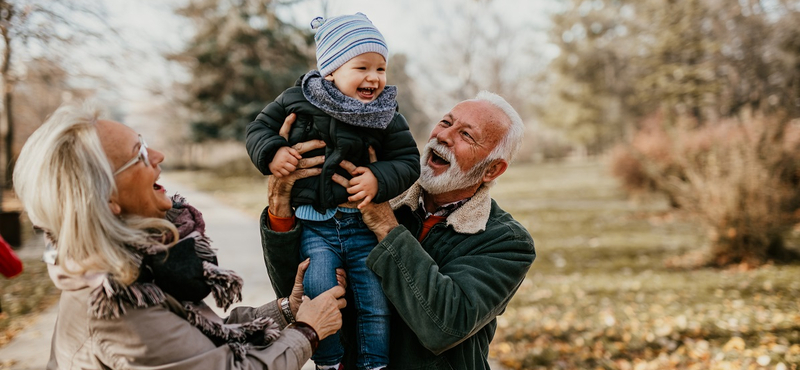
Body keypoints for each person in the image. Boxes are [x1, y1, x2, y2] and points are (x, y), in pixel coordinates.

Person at [12, 102, 347, 369]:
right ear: (106, 198)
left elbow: (201, 342)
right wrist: (308, 331)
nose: (159, 156)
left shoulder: (133, 265)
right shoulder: (118, 305)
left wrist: (287, 309)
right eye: (139, 154)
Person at [260, 91, 536, 369]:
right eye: (445, 122)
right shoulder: (375, 192)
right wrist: (280, 207)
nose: (444, 136)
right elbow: (301, 299)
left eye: (466, 135)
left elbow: (445, 326)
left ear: (492, 170)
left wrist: (385, 226)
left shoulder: (506, 241)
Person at [246, 12, 419, 370]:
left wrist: (377, 178)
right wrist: (273, 152)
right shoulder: (296, 99)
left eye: (381, 69)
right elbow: (258, 129)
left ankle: (374, 364)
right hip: (316, 226)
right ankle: (327, 361)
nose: (374, 77)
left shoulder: (385, 112)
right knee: (320, 290)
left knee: (374, 300)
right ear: (331, 70)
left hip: (361, 228)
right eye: (362, 67)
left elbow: (406, 160)